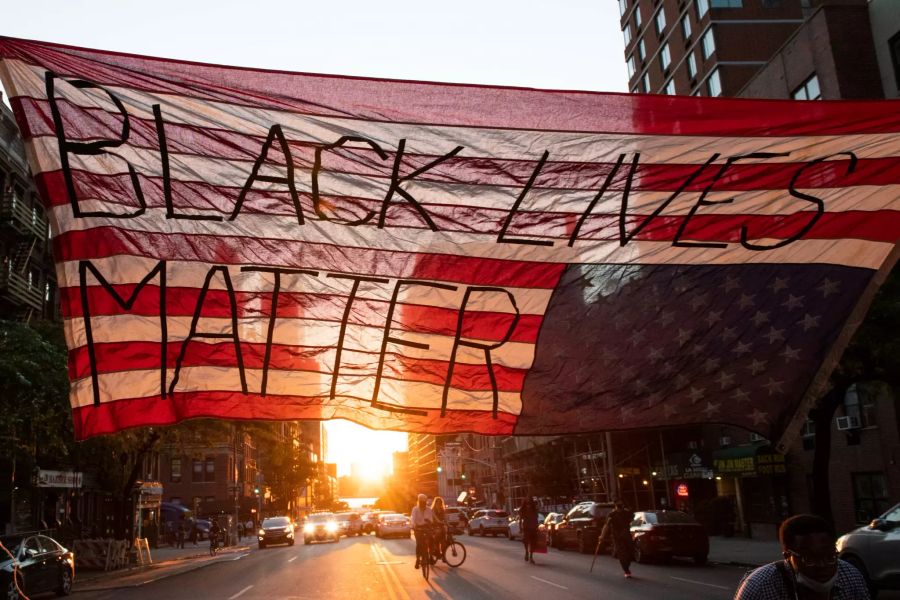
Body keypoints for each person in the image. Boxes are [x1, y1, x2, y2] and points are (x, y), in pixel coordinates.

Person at [734, 514, 870, 600]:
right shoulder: (759, 587)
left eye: (830, 557)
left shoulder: (851, 577)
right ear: (788, 556)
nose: (822, 565)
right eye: (809, 559)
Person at [602, 501, 635, 578]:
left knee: (630, 552)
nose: (620, 509)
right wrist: (602, 535)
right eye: (618, 507)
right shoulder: (612, 515)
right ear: (616, 507)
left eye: (621, 507)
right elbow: (606, 525)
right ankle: (626, 570)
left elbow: (632, 520)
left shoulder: (627, 513)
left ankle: (627, 565)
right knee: (622, 554)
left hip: (627, 536)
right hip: (617, 537)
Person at [410, 493, 435, 570]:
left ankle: (431, 556)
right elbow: (413, 519)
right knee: (419, 544)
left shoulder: (429, 509)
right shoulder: (415, 509)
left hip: (427, 528)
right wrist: (414, 526)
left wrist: (429, 521)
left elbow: (431, 520)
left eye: (424, 502)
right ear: (419, 502)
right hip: (418, 529)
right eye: (421, 502)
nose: (422, 504)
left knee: (431, 540)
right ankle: (418, 559)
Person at [519, 497, 540, 564]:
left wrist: (537, 527)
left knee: (534, 542)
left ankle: (531, 556)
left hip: (533, 527)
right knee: (525, 541)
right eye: (527, 504)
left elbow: (536, 518)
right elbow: (520, 519)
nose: (529, 505)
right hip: (526, 527)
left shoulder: (534, 509)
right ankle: (526, 552)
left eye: (530, 504)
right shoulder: (523, 510)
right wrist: (520, 528)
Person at [431, 497, 447, 563]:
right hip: (434, 527)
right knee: (436, 541)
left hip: (441, 527)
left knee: (444, 542)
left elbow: (445, 518)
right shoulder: (432, 510)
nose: (439, 504)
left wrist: (448, 524)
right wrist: (439, 522)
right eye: (437, 502)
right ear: (435, 503)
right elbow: (435, 518)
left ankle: (443, 556)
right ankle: (436, 553)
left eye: (440, 503)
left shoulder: (442, 510)